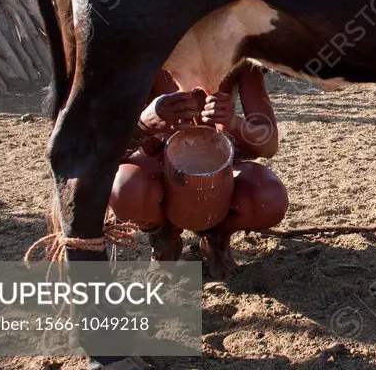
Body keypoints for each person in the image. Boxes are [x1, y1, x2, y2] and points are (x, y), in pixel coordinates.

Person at [109, 62, 288, 278]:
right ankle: (163, 236)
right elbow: (103, 150)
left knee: (267, 197)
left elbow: (269, 145)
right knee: (127, 188)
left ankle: (216, 238)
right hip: (157, 165)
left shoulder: (237, 53)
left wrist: (233, 123)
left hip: (220, 167)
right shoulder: (146, 50)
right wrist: (144, 124)